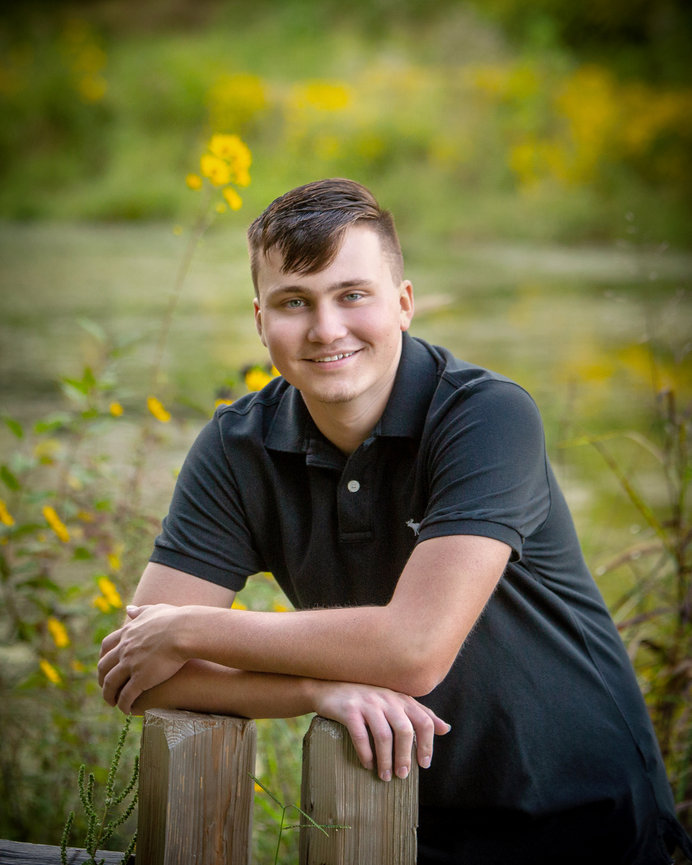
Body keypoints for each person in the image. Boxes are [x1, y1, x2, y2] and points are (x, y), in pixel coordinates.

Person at [98, 178, 692, 865]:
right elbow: (136, 672)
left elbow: (414, 649)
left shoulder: (487, 417)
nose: (326, 328)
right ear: (261, 320)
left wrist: (191, 627)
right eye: (295, 301)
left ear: (403, 304)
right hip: (402, 834)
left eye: (353, 294)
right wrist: (316, 689)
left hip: (590, 829)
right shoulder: (237, 449)